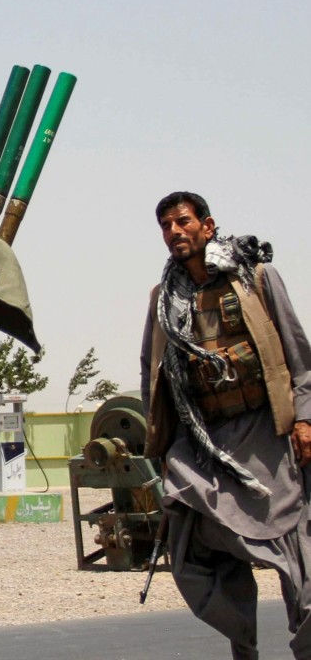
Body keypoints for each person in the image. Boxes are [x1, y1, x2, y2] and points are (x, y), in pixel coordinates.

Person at [141, 191, 311, 660]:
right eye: (166, 226)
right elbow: (151, 373)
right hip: (206, 443)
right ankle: (244, 645)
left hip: (267, 440)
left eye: (183, 221)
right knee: (194, 545)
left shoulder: (256, 278)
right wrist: (160, 441)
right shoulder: (164, 301)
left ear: (208, 226)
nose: (174, 232)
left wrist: (305, 421)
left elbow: (299, 354)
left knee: (298, 552)